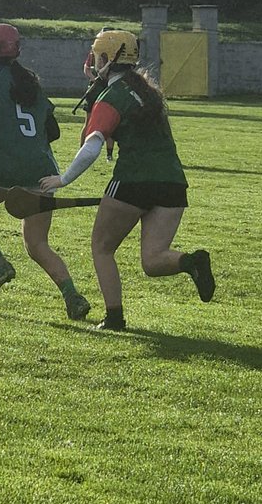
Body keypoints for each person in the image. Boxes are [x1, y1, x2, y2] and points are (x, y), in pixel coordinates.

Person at [38, 28, 214, 332]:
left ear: (106, 58)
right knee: (153, 260)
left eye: (96, 56)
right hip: (173, 183)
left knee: (102, 247)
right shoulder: (149, 93)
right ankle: (190, 262)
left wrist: (64, 179)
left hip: (133, 181)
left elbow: (91, 143)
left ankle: (115, 318)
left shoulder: (112, 97)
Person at [0, 23, 91, 319]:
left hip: (4, 170)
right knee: (38, 244)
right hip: (42, 172)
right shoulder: (31, 82)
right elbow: (52, 132)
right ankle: (72, 296)